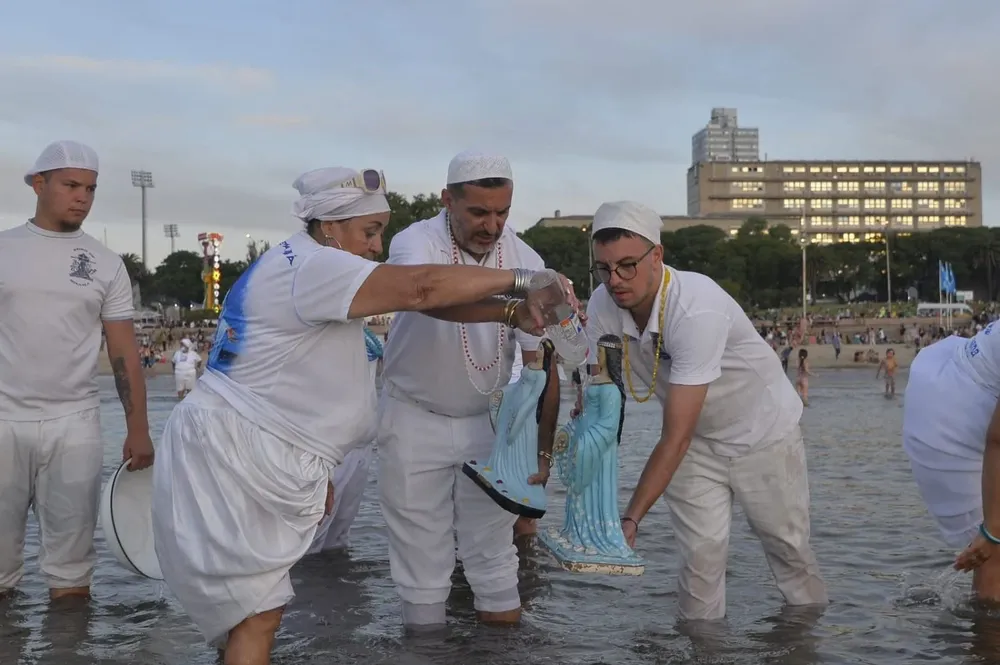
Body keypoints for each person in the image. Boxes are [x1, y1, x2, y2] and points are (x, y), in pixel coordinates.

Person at [151, 166, 557, 665]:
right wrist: (523, 282)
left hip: (257, 444)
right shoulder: (317, 266)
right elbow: (422, 290)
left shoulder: (299, 260)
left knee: (252, 612)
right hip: (238, 449)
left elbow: (306, 382)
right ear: (329, 226)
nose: (375, 247)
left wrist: (509, 314)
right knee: (257, 613)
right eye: (369, 232)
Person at [583, 200, 828, 621]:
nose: (615, 281)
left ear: (656, 256)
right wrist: (588, 492)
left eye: (627, 266)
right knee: (700, 562)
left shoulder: (696, 308)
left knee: (788, 550)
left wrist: (630, 518)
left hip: (763, 434)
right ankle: (703, 650)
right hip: (696, 445)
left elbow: (673, 437)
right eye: (603, 269)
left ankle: (805, 641)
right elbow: (603, 398)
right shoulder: (601, 306)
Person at [377, 151, 562, 630]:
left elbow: (539, 368)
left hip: (488, 425)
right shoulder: (415, 240)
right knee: (422, 569)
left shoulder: (526, 257)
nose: (492, 225)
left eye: (502, 212)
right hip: (415, 419)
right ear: (447, 200)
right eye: (479, 212)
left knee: (496, 561)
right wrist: (515, 298)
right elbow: (423, 294)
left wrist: (540, 453)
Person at [0, 140, 154, 601]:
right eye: (70, 185)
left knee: (72, 575)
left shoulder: (106, 264)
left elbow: (124, 351)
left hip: (76, 424)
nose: (82, 196)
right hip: (3, 420)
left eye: (90, 188)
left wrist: (139, 429)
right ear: (38, 183)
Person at [903, 326, 1000, 599]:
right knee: (996, 549)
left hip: (965, 382)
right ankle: (988, 637)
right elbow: (998, 440)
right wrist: (993, 529)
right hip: (954, 414)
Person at [306, 325, 383, 554]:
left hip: (361, 444)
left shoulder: (367, 337)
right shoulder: (319, 334)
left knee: (340, 533)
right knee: (314, 535)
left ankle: (338, 586)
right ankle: (310, 588)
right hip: (331, 446)